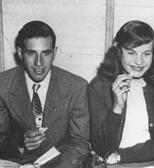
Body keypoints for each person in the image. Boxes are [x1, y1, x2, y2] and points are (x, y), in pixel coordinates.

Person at [0, 20, 89, 168]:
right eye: (31, 53)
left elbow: (80, 143)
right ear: (21, 53)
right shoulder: (3, 85)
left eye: (46, 53)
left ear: (55, 52)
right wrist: (20, 142)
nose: (39, 63)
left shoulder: (76, 87)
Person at [88, 20, 154, 164]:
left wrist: (121, 157)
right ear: (118, 51)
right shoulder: (98, 86)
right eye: (131, 53)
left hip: (153, 163)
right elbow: (102, 148)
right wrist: (117, 108)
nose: (139, 62)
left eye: (146, 53)